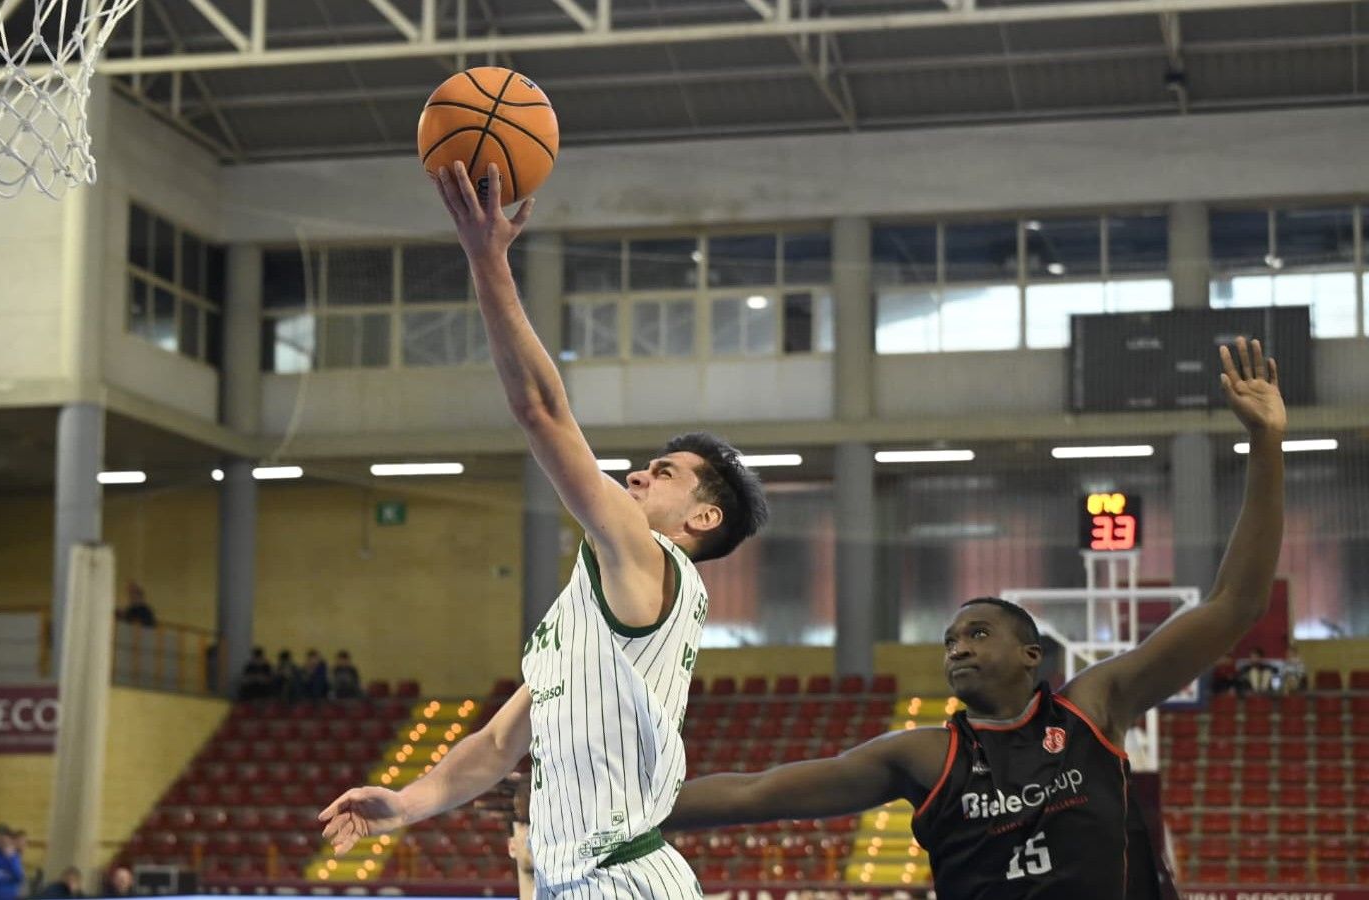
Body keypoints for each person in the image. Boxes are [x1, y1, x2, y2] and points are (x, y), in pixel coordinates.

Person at [661, 338, 1288, 900]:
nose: (957, 648)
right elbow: (756, 792)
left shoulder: (1093, 709)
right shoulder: (924, 755)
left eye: (978, 633)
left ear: (1031, 655)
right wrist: (618, 814)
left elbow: (1235, 603)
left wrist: (1265, 444)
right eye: (951, 639)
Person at [319, 161, 769, 898]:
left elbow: (541, 412)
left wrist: (486, 259)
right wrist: (407, 802)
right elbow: (498, 746)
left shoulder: (650, 561)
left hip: (621, 882)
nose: (635, 477)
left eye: (662, 473)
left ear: (702, 518)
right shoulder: (593, 610)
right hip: (576, 883)